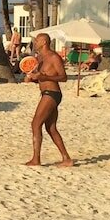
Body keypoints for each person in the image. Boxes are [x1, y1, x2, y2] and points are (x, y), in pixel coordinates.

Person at [24, 32, 73, 167]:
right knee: (51, 128)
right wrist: (33, 78)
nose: (35, 43)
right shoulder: (40, 58)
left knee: (35, 124)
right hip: (45, 92)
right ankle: (66, 159)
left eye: (37, 41)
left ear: (44, 42)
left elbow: (63, 77)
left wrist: (44, 77)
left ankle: (36, 159)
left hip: (52, 93)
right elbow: (40, 77)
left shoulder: (53, 57)